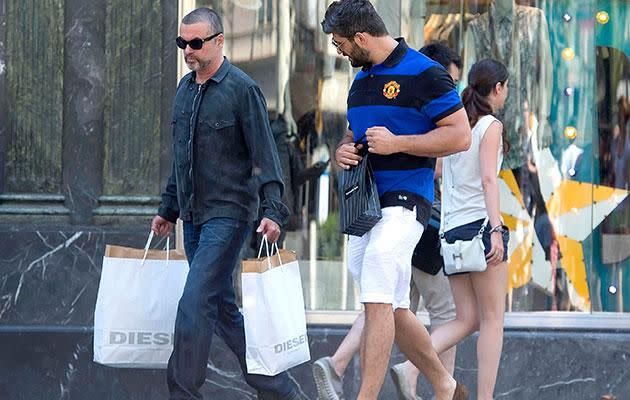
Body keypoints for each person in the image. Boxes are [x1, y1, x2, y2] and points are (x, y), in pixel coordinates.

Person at [150, 8, 306, 400]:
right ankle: (281, 392)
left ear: (219, 41)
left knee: (194, 302)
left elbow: (266, 155)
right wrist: (168, 209)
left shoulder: (242, 89)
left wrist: (273, 210)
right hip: (195, 218)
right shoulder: (184, 91)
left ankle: (182, 393)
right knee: (221, 310)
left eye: (197, 43)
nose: (188, 50)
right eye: (182, 43)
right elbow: (181, 158)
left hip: (231, 216)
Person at [319, 2, 471, 399]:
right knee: (391, 305)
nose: (339, 52)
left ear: (362, 38)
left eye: (341, 44)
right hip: (366, 204)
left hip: (407, 200)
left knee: (378, 282)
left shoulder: (425, 73)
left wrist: (399, 143)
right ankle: (445, 383)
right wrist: (343, 150)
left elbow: (460, 136)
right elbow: (356, 137)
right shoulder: (360, 81)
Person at [432, 58, 511, 400]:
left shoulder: (457, 124)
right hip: (480, 231)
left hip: (451, 234)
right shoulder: (490, 125)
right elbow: (489, 179)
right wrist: (497, 228)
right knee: (493, 320)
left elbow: (437, 171)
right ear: (497, 88)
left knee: (466, 319)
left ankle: (409, 366)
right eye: (505, 88)